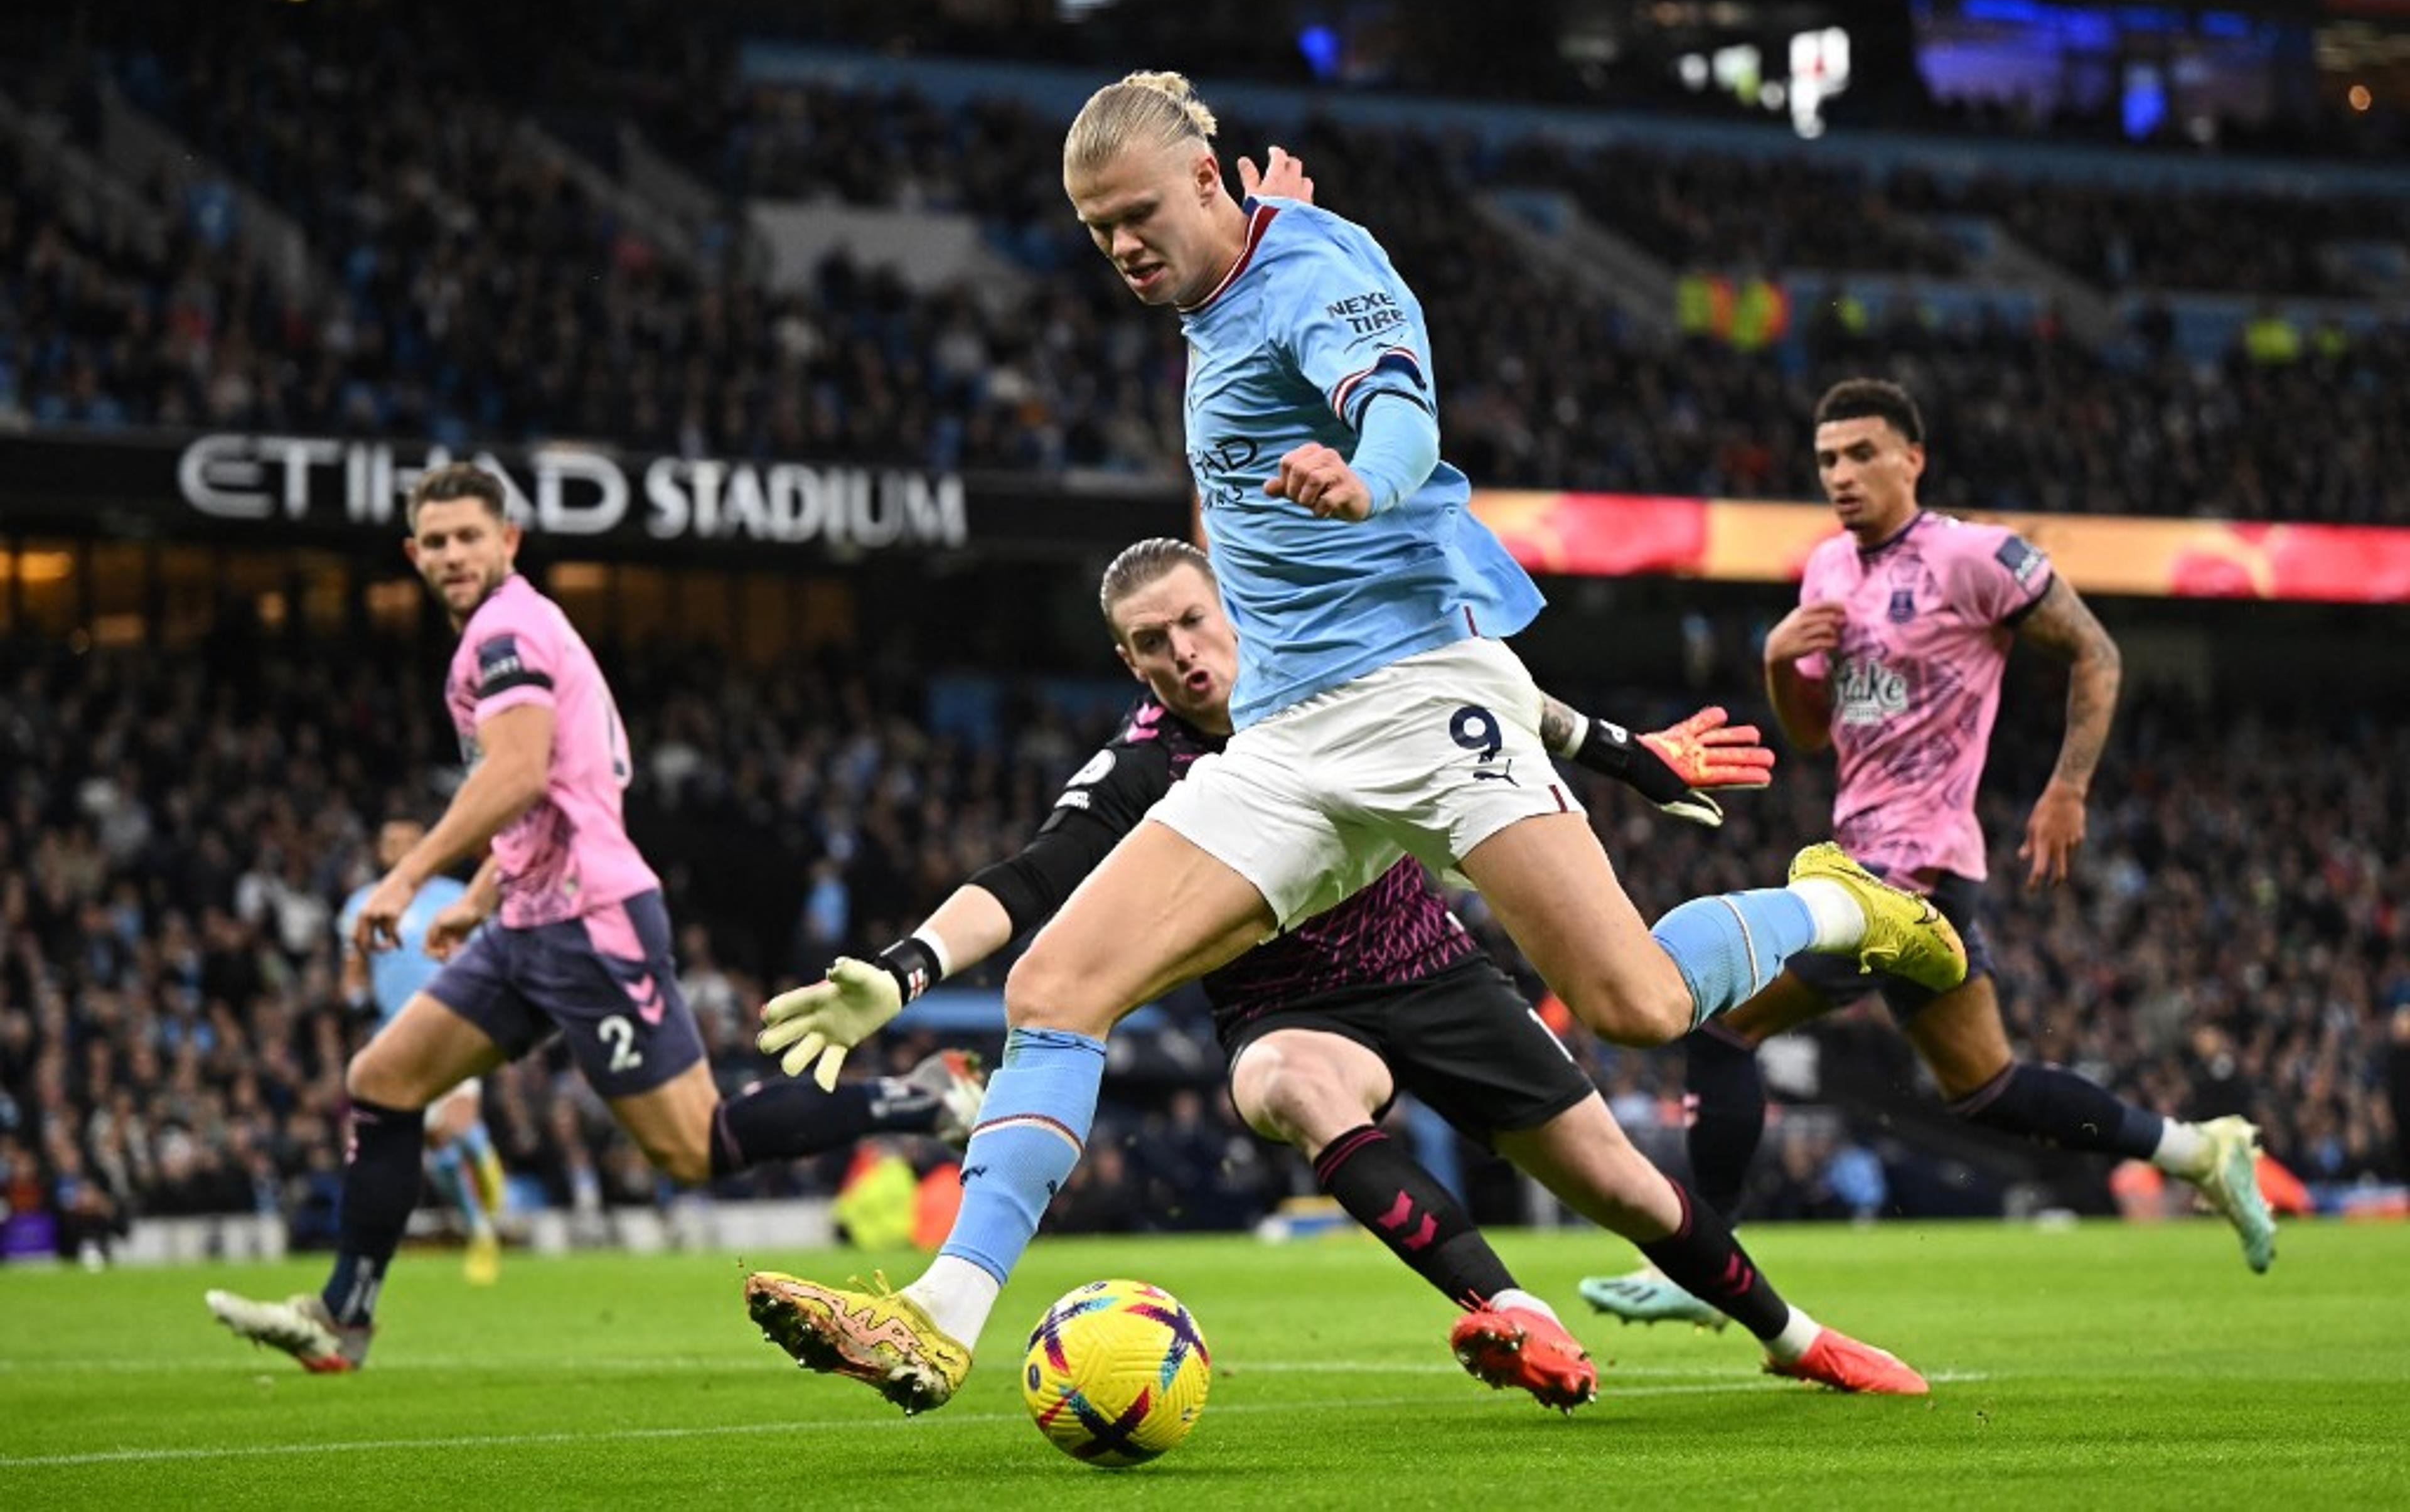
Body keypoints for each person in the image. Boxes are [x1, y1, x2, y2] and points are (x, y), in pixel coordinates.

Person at [734, 76, 1966, 1416]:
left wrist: (1369, 470)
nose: (1122, 248)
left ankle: (1830, 901)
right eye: (1097, 231)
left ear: (1206, 180)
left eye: (1139, 215)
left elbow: (1391, 395)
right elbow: (1279, 285)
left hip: (1422, 699)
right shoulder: (1236, 272)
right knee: (1055, 987)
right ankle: (938, 1318)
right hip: (1286, 734)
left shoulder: (1316, 270)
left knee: (1637, 1010)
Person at [747, 539, 1931, 1408]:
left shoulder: (1330, 671)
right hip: (1283, 1011)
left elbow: (1491, 686)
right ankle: (1507, 1307)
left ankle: (1791, 1334)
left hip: (1434, 971)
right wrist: (905, 969)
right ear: (1128, 660)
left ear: (1231, 607)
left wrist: (1626, 751)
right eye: (1152, 643)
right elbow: (1035, 871)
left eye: (1194, 622)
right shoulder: (1145, 764)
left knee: (1626, 1183)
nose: (1182, 654)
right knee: (1294, 1087)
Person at [204, 463, 985, 1373]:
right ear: (413, 554)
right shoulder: (523, 632)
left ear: (510, 541)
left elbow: (520, 773)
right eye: (438, 541)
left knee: (697, 1148)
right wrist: (478, 900)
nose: (455, 554)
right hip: (529, 923)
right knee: (383, 1078)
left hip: (591, 926)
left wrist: (406, 877)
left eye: (471, 535)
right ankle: (344, 1315)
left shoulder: (506, 632)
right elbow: (568, 791)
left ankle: (922, 1099)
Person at [1581, 377, 2275, 1330]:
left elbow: (2096, 652)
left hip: (1915, 867)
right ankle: (2199, 1152)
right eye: (1828, 459)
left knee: (1719, 1027)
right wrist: (1781, 660)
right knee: (1988, 1090)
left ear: (1914, 457)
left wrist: (2067, 787)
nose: (1842, 475)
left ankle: (1704, 1264)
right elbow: (1813, 734)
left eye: (1863, 453)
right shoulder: (1826, 566)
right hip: (1866, 854)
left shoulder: (1976, 556)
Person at [335, 817, 508, 1285]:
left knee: (457, 1122)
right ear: (380, 849)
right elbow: (354, 970)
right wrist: (353, 993)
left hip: (455, 1023)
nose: (400, 850)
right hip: (398, 1036)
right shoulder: (361, 903)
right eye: (390, 842)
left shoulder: (458, 894)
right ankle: (481, 1230)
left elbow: (489, 955)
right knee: (435, 1141)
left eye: (409, 842)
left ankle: (483, 1155)